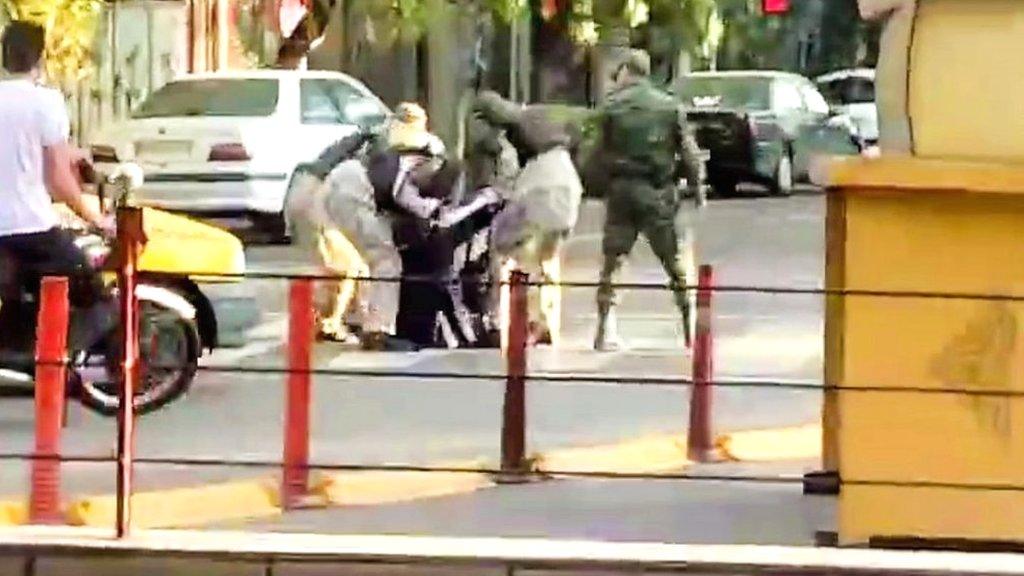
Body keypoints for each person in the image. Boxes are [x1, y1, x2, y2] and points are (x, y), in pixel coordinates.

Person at [0, 22, 114, 354]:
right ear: (41, 57)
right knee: (90, 289)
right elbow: (59, 180)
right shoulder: (45, 102)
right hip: (31, 227)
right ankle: (59, 360)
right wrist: (95, 217)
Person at [591, 49, 704, 352]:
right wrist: (698, 189)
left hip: (622, 191)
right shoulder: (669, 106)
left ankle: (605, 329)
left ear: (628, 70)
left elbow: (593, 154)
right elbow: (689, 153)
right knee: (674, 261)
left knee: (613, 262)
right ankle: (689, 328)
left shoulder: (611, 108)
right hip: (658, 193)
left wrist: (599, 186)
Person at [472, 91, 584, 347]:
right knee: (546, 260)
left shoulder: (520, 127)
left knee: (517, 256)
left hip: (541, 190)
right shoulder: (543, 125)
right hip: (567, 187)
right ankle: (543, 322)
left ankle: (516, 321)